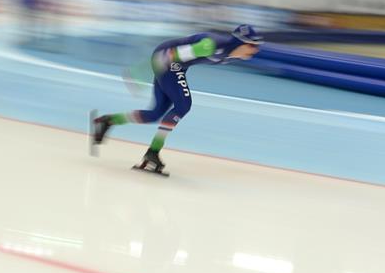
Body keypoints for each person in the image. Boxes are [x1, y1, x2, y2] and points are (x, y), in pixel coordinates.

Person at [92, 24, 263, 174]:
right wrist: (139, 73)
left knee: (154, 114)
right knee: (183, 105)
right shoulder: (209, 45)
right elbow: (171, 55)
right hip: (167, 61)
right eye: (252, 46)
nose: (255, 51)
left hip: (175, 65)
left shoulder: (231, 54)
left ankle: (107, 121)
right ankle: (153, 152)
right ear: (241, 42)